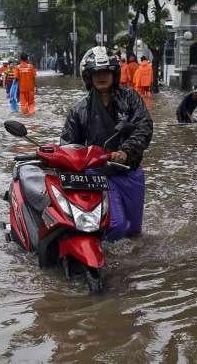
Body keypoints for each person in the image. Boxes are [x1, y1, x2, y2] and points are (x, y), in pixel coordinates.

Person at [61, 46, 153, 240]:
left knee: (134, 231)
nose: (101, 77)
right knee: (117, 225)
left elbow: (143, 127)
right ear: (88, 76)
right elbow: (67, 146)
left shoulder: (131, 99)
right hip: (98, 175)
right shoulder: (79, 110)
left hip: (130, 171)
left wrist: (126, 151)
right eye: (96, 73)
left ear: (114, 73)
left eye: (105, 72)